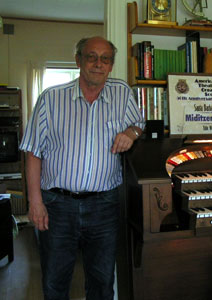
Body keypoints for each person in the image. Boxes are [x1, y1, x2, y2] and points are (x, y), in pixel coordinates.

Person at [19, 36, 145, 300]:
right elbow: (33, 151)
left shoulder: (122, 93)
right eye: (91, 57)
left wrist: (131, 133)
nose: (98, 64)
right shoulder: (51, 99)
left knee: (101, 282)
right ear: (78, 61)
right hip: (57, 205)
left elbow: (139, 124)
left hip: (104, 206)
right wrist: (35, 201)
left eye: (105, 59)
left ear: (111, 65)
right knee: (55, 281)